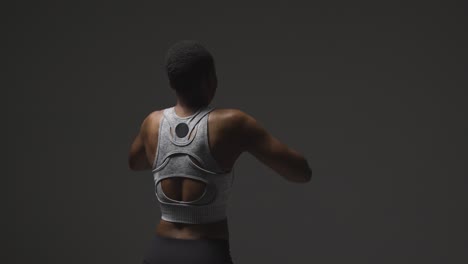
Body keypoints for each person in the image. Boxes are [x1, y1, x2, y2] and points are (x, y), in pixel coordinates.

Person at [128, 40, 312, 264]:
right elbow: (301, 173)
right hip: (205, 252)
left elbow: (135, 163)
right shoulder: (232, 123)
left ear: (172, 83)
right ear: (210, 79)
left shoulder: (152, 123)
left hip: (160, 251)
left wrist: (169, 151)